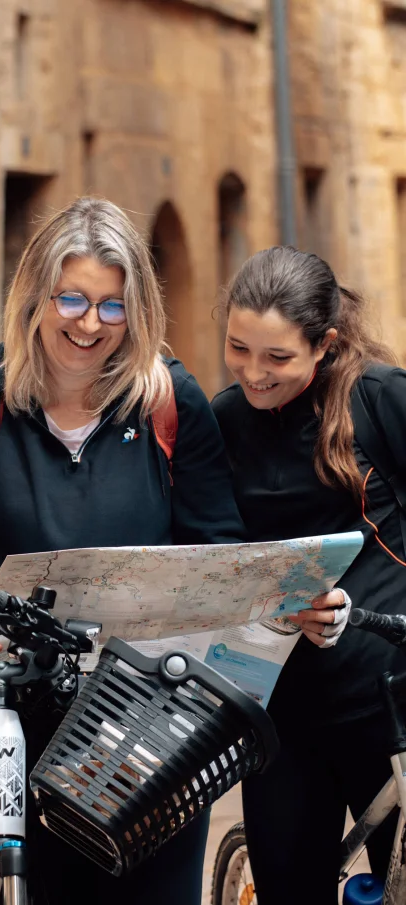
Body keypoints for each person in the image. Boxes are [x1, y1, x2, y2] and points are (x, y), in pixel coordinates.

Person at [0, 196, 247, 905]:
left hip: (152, 730)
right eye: (73, 299)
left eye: (113, 307)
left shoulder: (169, 401)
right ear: (35, 294)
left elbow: (220, 555)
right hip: (13, 724)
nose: (90, 324)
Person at [212, 245, 406, 905]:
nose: (254, 374)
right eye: (239, 349)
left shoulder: (378, 399)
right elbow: (209, 548)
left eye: (277, 358)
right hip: (279, 714)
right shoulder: (225, 419)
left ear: (323, 345)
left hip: (388, 702)